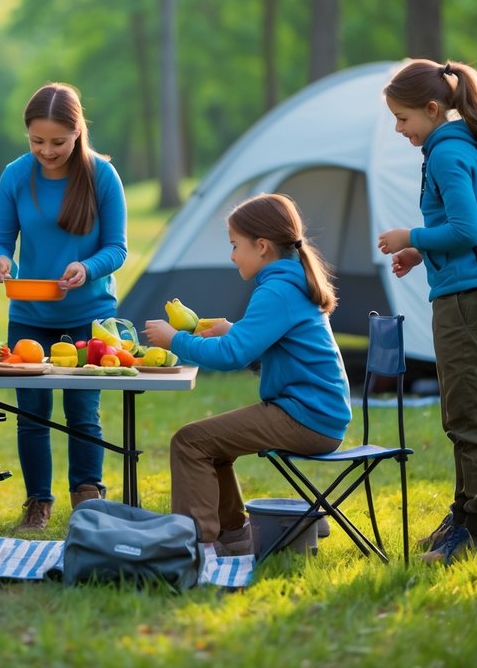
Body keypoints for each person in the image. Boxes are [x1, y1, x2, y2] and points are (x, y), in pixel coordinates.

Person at [143, 193, 350, 556]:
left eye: (235, 245)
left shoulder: (276, 291)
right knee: (211, 445)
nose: (232, 255)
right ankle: (233, 535)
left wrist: (175, 339)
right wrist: (234, 329)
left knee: (190, 442)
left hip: (306, 417)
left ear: (263, 246)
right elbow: (260, 340)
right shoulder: (290, 282)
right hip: (316, 412)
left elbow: (231, 356)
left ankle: (195, 545)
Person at [377, 59, 477, 564]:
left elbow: (467, 231)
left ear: (432, 109)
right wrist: (420, 252)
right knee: (460, 411)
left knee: (471, 415)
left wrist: (410, 235)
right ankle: (464, 515)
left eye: (403, 117)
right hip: (464, 292)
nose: (399, 128)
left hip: (469, 300)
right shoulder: (448, 147)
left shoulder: (448, 156)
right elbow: (460, 231)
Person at [0, 83, 128, 532]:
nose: (47, 151)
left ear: (77, 131)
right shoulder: (15, 175)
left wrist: (87, 268)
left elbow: (117, 248)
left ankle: (88, 498)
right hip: (30, 314)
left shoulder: (102, 175)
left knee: (83, 411)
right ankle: (38, 502)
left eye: (58, 142)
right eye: (37, 141)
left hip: (90, 317)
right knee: (32, 414)